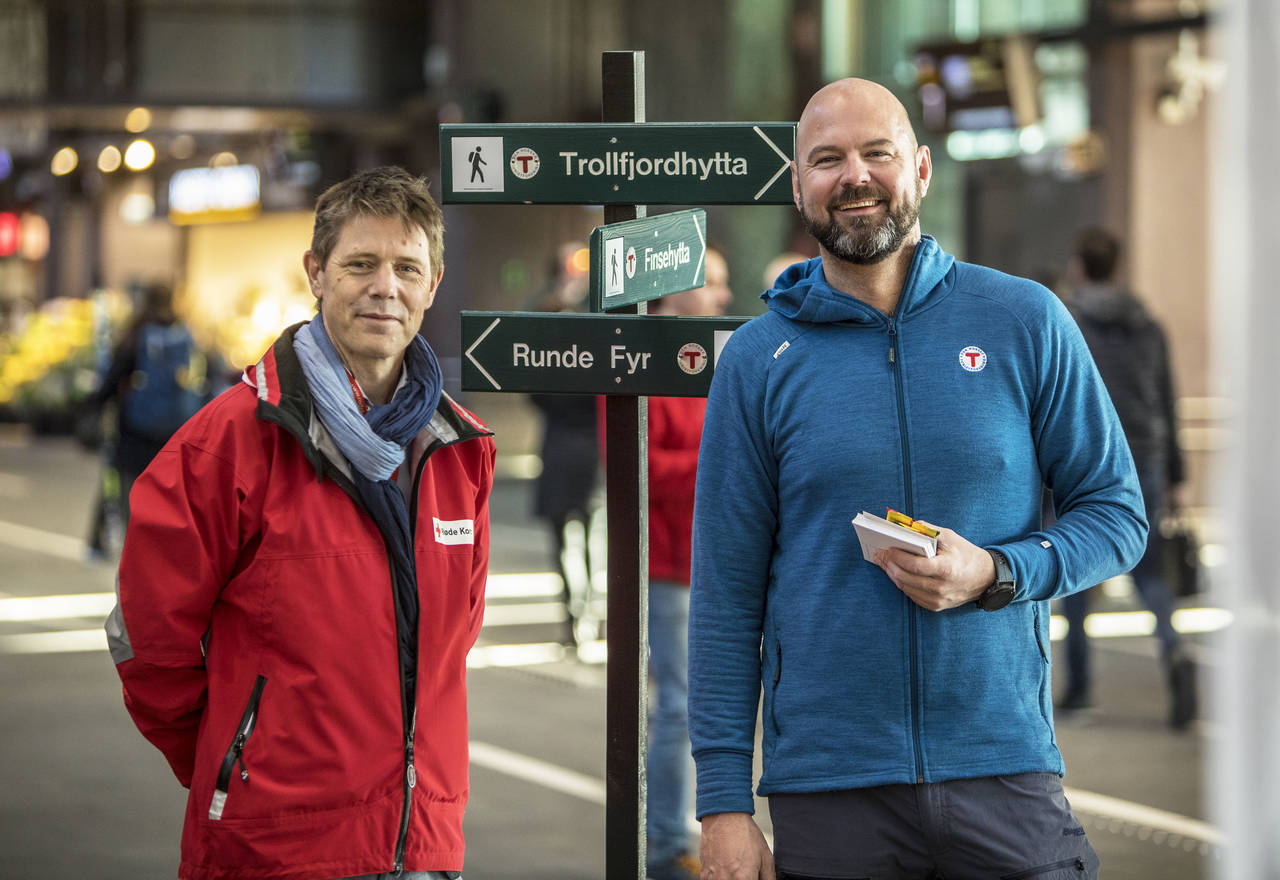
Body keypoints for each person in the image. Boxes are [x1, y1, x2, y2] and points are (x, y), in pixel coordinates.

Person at [688, 78, 1147, 879]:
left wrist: (998, 572)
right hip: (831, 788)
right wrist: (723, 804)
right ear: (799, 186)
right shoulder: (757, 362)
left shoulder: (1025, 320)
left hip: (1001, 766)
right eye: (826, 160)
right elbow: (726, 596)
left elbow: (1116, 513)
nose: (853, 176)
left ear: (922, 169)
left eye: (877, 153)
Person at [105, 166, 495, 880]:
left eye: (408, 267)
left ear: (433, 284)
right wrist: (236, 760)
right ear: (316, 272)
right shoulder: (232, 440)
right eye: (360, 264)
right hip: (275, 848)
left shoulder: (460, 452)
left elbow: (450, 645)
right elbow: (146, 634)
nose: (386, 287)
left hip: (422, 847)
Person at [1056, 227, 1197, 728]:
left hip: (1088, 460)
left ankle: (1078, 688)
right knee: (1152, 573)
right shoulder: (1148, 325)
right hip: (1148, 459)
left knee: (1074, 569)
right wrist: (1177, 475)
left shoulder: (1067, 320)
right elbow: (1167, 399)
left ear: (1079, 266)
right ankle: (1175, 653)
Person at [644, 248, 733, 880]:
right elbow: (641, 470)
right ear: (679, 292)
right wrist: (724, 459)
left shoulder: (719, 360)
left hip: (723, 563)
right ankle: (668, 842)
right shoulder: (638, 360)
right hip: (670, 566)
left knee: (717, 707)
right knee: (677, 709)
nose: (725, 299)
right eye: (716, 285)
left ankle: (696, 832)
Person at [85, 282, 214, 554]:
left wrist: (93, 408)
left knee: (127, 493)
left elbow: (112, 379)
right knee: (170, 498)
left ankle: (121, 549)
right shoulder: (186, 335)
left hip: (134, 433)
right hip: (176, 435)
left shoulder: (136, 334)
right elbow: (208, 375)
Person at [527, 243, 604, 647]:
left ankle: (590, 609)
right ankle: (572, 614)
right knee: (560, 534)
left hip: (594, 442)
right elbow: (531, 387)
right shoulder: (546, 309)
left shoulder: (601, 308)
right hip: (558, 439)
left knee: (594, 534)